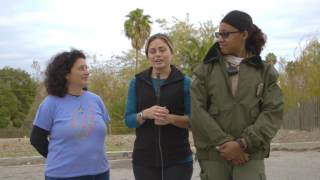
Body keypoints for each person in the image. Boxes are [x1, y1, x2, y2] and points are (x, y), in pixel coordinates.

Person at [190, 10, 283, 180]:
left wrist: (243, 144)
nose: (220, 39)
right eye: (219, 34)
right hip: (213, 153)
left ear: (244, 35)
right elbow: (196, 110)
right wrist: (225, 143)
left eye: (226, 34)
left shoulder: (265, 72)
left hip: (250, 153)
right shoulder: (205, 69)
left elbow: (273, 112)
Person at [30, 49, 110, 180]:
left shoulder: (96, 100)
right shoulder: (50, 103)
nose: (87, 71)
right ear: (66, 74)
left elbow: (97, 133)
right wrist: (59, 159)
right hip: (63, 176)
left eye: (86, 67)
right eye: (81, 68)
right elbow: (36, 139)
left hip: (100, 173)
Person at [124, 33, 193, 180]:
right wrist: (144, 114)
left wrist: (171, 118)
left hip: (178, 160)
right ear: (148, 55)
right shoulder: (137, 82)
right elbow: (128, 120)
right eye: (152, 51)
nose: (157, 55)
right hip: (144, 160)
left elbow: (194, 120)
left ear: (171, 52)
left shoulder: (185, 82)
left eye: (162, 50)